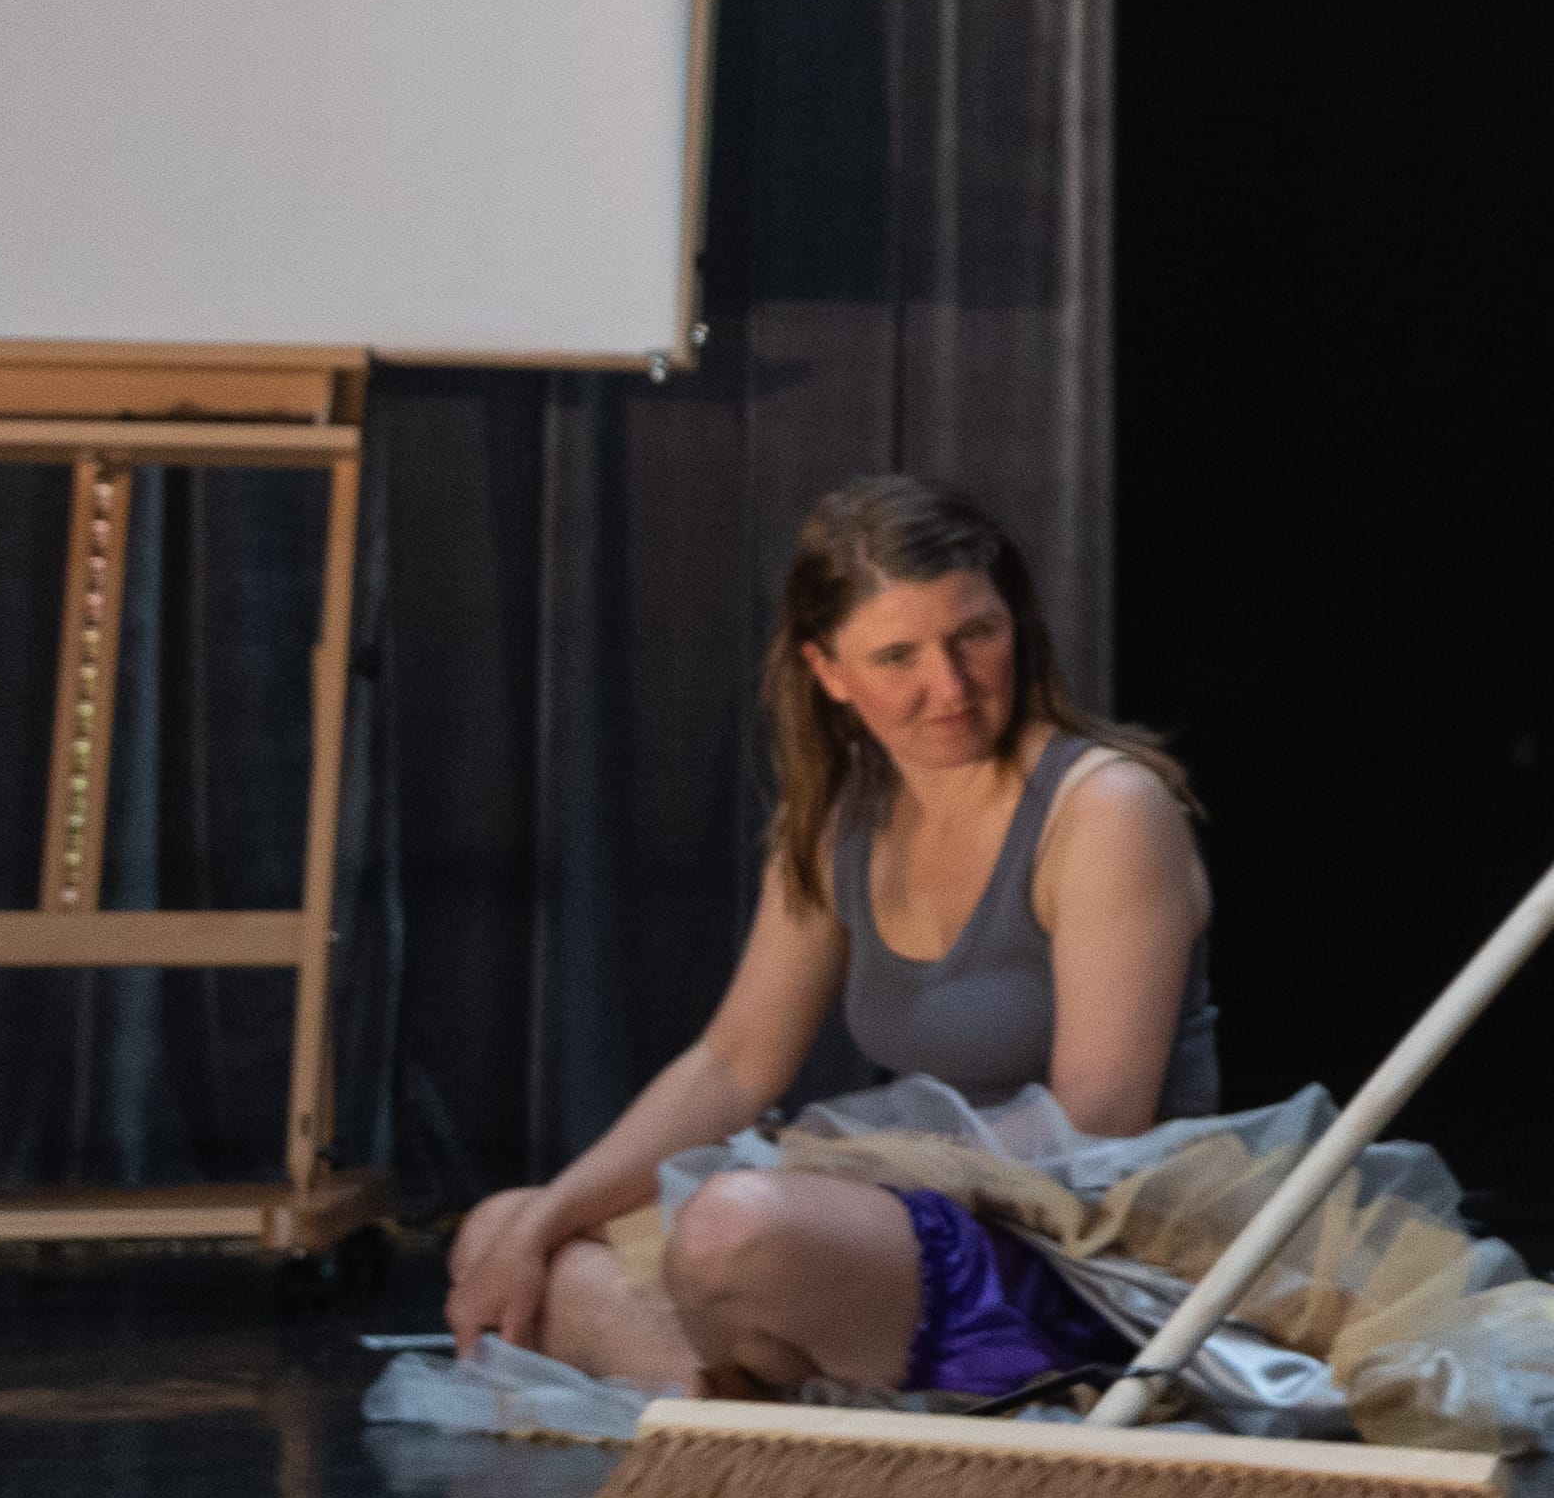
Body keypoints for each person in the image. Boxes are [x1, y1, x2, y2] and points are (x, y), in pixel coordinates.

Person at [445, 476, 1219, 1407]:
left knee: (736, 1229)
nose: (951, 685)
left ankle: (748, 1401)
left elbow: (1098, 1118)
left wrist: (843, 1166)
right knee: (501, 1232)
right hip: (904, 1217)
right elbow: (732, 1065)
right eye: (898, 656)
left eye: (975, 633)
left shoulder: (1105, 809)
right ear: (829, 672)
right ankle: (751, 1408)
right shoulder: (839, 816)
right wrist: (543, 1221)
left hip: (1081, 1247)